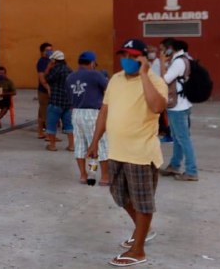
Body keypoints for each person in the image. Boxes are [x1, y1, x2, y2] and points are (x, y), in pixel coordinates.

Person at [87, 38, 168, 267]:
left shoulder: (154, 81)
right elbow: (104, 111)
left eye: (134, 56)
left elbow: (157, 107)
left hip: (141, 153)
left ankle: (138, 250)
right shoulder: (115, 79)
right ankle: (144, 229)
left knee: (143, 203)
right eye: (125, 55)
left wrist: (144, 74)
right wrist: (95, 142)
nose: (128, 60)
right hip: (116, 151)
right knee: (120, 196)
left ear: (143, 58)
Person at [67, 51, 110, 185]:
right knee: (100, 144)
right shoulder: (95, 75)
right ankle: (104, 177)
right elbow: (109, 89)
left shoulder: (70, 77)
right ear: (92, 63)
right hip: (92, 113)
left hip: (76, 113)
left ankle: (83, 175)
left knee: (80, 144)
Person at [159, 39, 199, 181]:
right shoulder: (186, 58)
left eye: (163, 49)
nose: (162, 52)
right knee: (177, 137)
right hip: (184, 103)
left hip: (178, 106)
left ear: (170, 48)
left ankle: (191, 171)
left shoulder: (178, 62)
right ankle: (174, 165)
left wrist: (163, 63)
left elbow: (164, 80)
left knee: (183, 139)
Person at [45, 50, 74, 151]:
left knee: (51, 124)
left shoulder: (55, 69)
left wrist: (48, 68)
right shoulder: (69, 70)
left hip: (56, 101)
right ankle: (71, 145)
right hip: (68, 102)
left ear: (54, 60)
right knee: (69, 125)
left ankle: (52, 146)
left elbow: (47, 78)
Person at [36, 42, 53, 139]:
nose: (50, 52)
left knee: (41, 113)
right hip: (44, 90)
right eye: (47, 50)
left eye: (51, 50)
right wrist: (48, 88)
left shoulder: (49, 61)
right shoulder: (42, 62)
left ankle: (40, 132)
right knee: (47, 113)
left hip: (45, 89)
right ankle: (49, 134)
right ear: (42, 52)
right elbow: (41, 78)